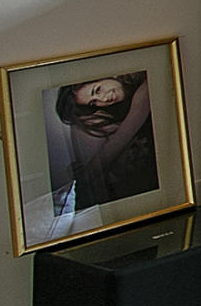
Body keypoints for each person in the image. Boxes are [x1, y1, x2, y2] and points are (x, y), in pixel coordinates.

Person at [45, 73, 157, 222]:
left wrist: (88, 172)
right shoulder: (113, 111)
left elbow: (127, 130)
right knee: (80, 126)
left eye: (97, 90)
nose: (103, 100)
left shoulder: (144, 87)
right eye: (93, 103)